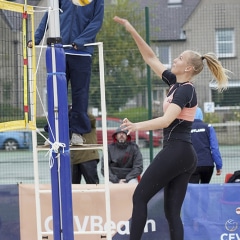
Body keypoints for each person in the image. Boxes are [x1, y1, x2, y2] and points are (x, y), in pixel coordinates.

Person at [113, 16, 230, 240]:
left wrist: (137, 125)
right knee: (171, 212)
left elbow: (166, 121)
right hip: (184, 153)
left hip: (178, 151)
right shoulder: (175, 83)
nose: (174, 60)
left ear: (187, 67)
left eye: (178, 57)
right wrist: (131, 29)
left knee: (139, 198)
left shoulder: (186, 90)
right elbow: (150, 57)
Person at [28, 0, 104, 145]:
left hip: (81, 53)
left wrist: (81, 40)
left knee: (80, 95)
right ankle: (54, 133)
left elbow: (97, 21)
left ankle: (76, 133)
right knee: (56, 94)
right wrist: (37, 38)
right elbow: (49, 15)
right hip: (59, 50)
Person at [189, 107, 222, 184]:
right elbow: (214, 148)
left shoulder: (186, 128)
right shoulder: (208, 127)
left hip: (192, 165)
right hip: (208, 165)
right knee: (205, 189)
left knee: (194, 191)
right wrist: (219, 165)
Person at [71, 113, 100, 184]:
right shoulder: (70, 123)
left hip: (88, 156)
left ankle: (95, 195)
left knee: (93, 185)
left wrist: (80, 110)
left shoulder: (88, 122)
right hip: (74, 158)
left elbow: (92, 118)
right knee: (72, 187)